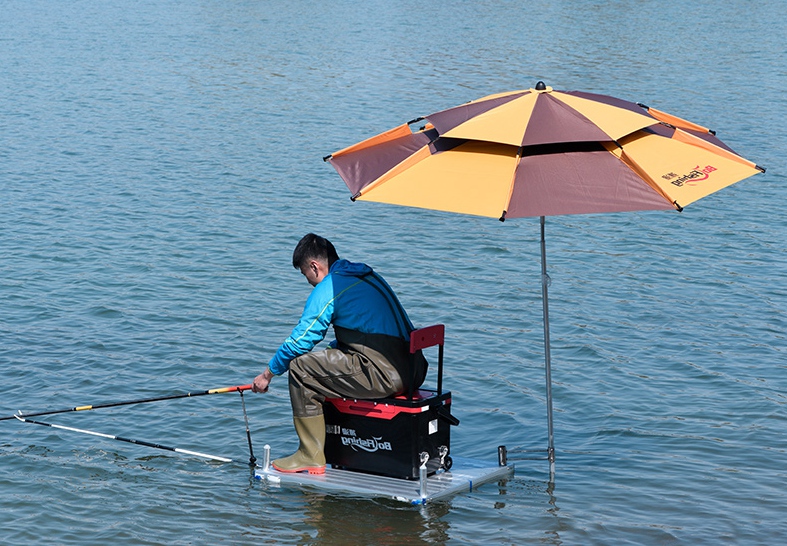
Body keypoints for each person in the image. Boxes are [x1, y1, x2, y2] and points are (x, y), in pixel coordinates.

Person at [252, 233, 427, 474]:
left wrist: (267, 374)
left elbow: (300, 342)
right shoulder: (366, 275)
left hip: (386, 375)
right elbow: (369, 332)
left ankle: (310, 454)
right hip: (413, 369)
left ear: (315, 266)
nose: (309, 282)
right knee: (328, 354)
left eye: (306, 274)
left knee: (301, 368)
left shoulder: (330, 287)